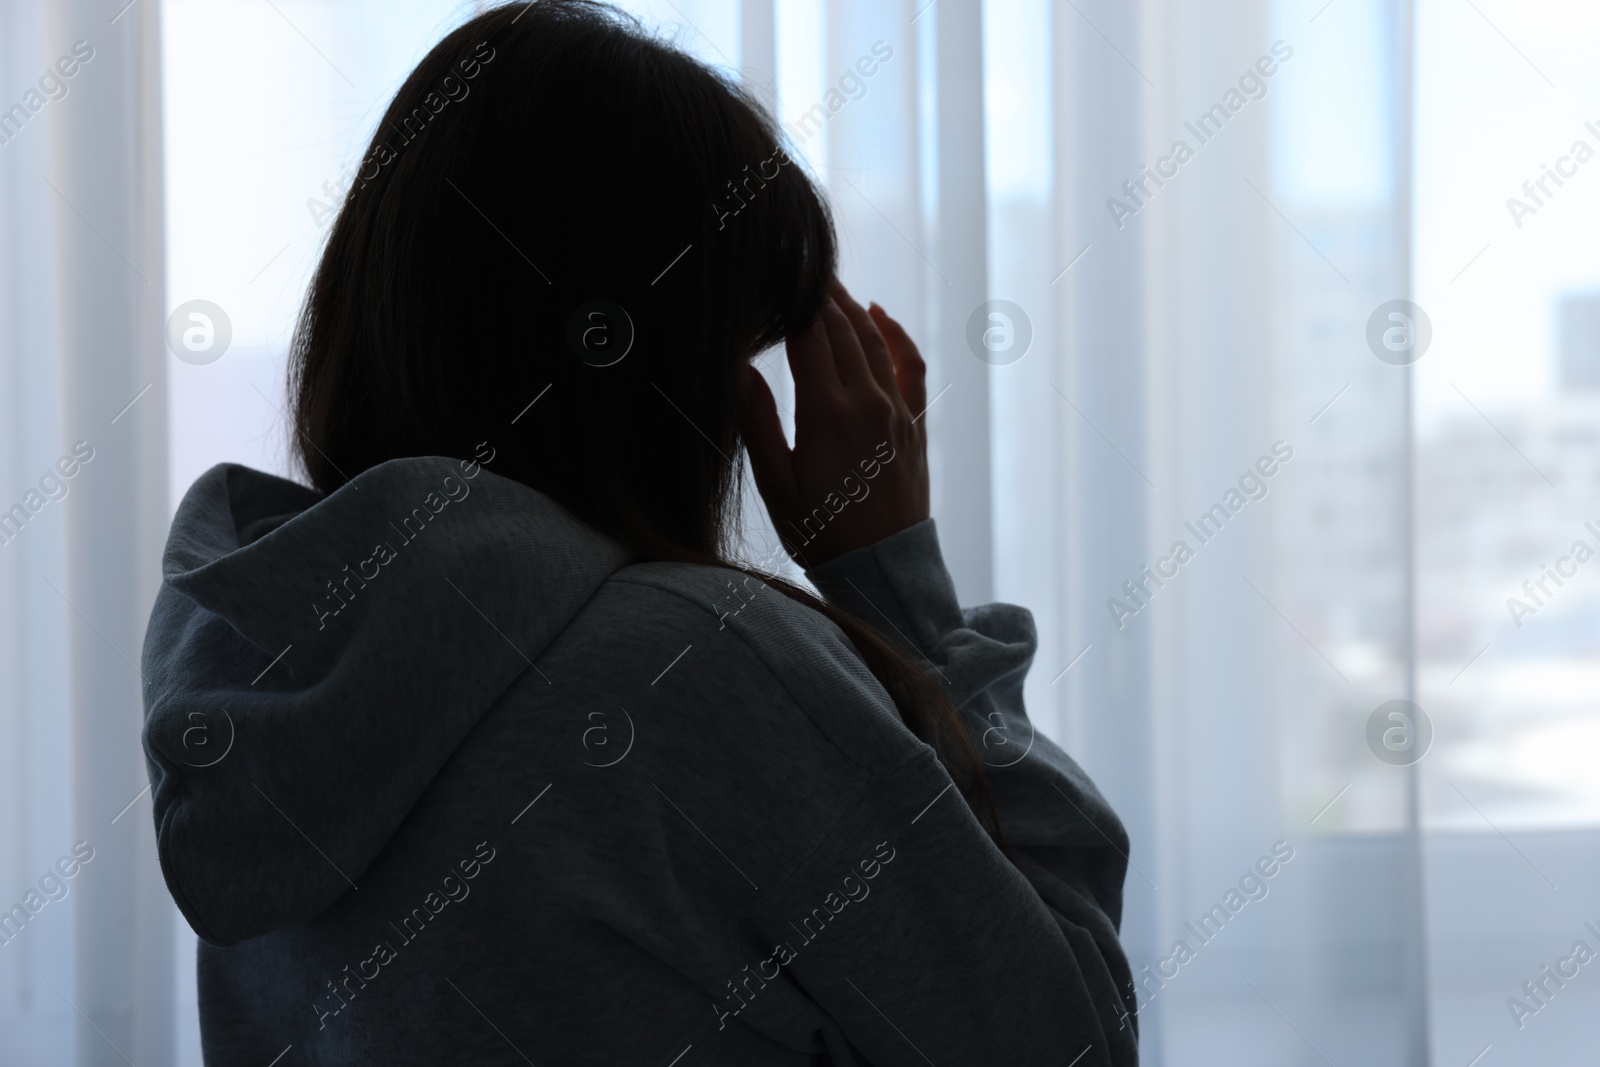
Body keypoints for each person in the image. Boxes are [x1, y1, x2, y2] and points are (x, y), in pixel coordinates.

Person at [140, 2, 1136, 1063]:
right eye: (736, 349)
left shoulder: (265, 676)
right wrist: (894, 582)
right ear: (664, 370)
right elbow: (1067, 1032)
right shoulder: (692, 667)